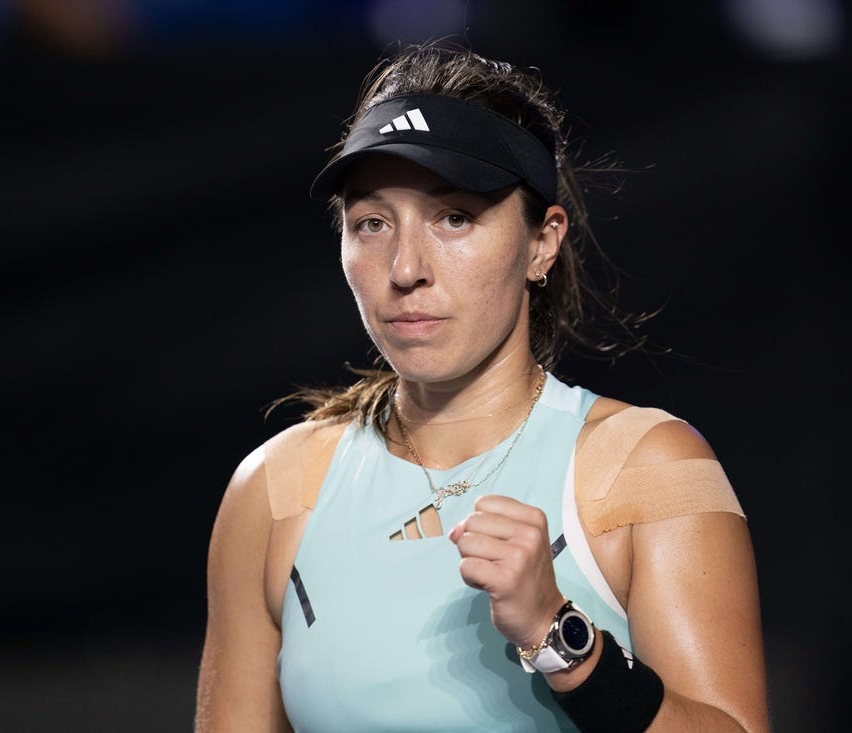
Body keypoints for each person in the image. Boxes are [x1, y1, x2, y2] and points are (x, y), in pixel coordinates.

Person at [195, 42, 770, 733]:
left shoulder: (649, 469)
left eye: (455, 217)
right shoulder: (272, 491)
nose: (405, 267)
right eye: (372, 222)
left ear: (542, 242)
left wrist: (561, 638)